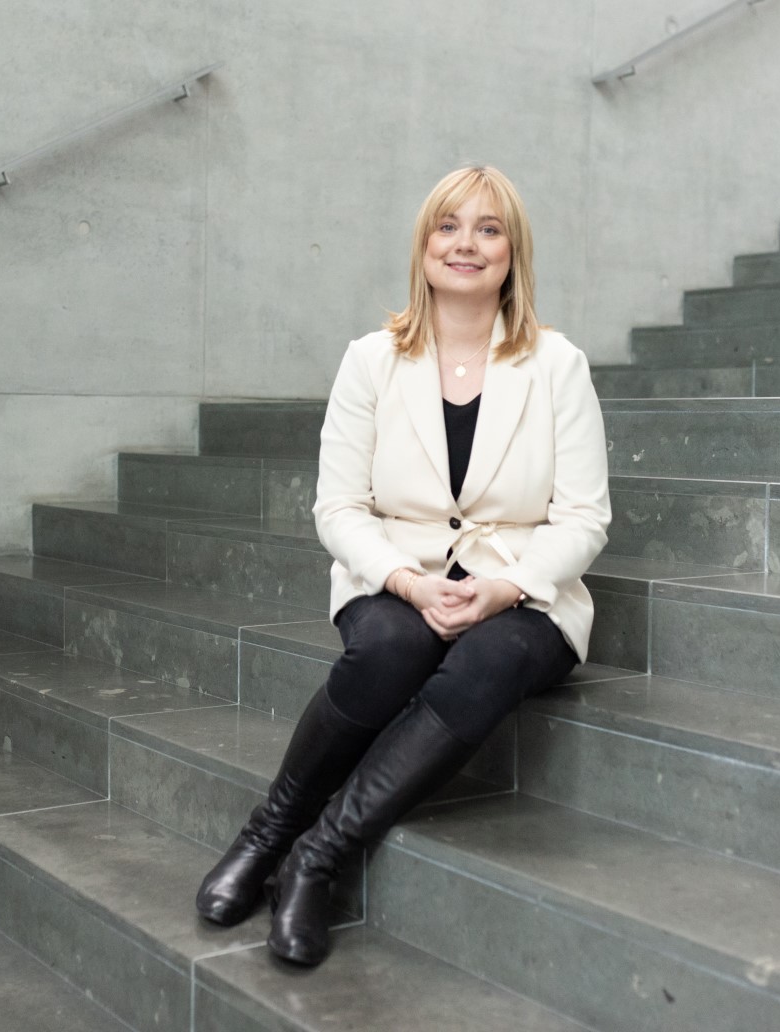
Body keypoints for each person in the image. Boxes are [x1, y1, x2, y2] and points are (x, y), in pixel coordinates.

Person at [195, 165, 611, 966]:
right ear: (422, 247)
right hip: (396, 575)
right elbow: (338, 509)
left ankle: (318, 858)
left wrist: (506, 587)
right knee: (392, 645)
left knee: (491, 657)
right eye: (448, 226)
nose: (466, 244)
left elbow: (584, 516)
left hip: (523, 590)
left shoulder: (558, 365)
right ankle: (269, 830)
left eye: (489, 229)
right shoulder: (371, 361)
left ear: (513, 252)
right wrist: (406, 581)